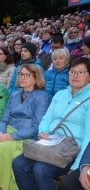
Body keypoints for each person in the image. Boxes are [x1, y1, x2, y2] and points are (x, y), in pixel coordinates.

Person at [0, 64, 51, 190]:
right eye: (20, 74)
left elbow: (36, 127)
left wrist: (10, 136)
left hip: (26, 136)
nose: (22, 78)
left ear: (36, 77)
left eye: (27, 75)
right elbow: (4, 119)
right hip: (7, 132)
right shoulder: (14, 94)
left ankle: (0, 185)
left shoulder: (43, 97)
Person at [13, 57, 90, 190]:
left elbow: (89, 135)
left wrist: (77, 165)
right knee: (18, 163)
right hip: (50, 143)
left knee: (41, 169)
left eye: (80, 72)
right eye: (72, 72)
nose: (75, 75)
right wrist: (43, 132)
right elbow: (46, 119)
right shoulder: (60, 94)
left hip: (72, 149)